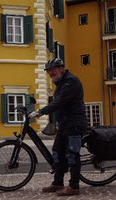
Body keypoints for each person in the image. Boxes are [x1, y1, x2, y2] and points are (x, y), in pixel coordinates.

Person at [29, 58, 87, 196]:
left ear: (61, 68)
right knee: (57, 152)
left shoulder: (70, 81)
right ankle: (57, 183)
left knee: (72, 155)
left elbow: (59, 102)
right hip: (64, 125)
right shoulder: (61, 82)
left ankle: (74, 186)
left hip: (74, 124)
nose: (50, 73)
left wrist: (40, 112)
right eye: (48, 71)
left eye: (53, 70)